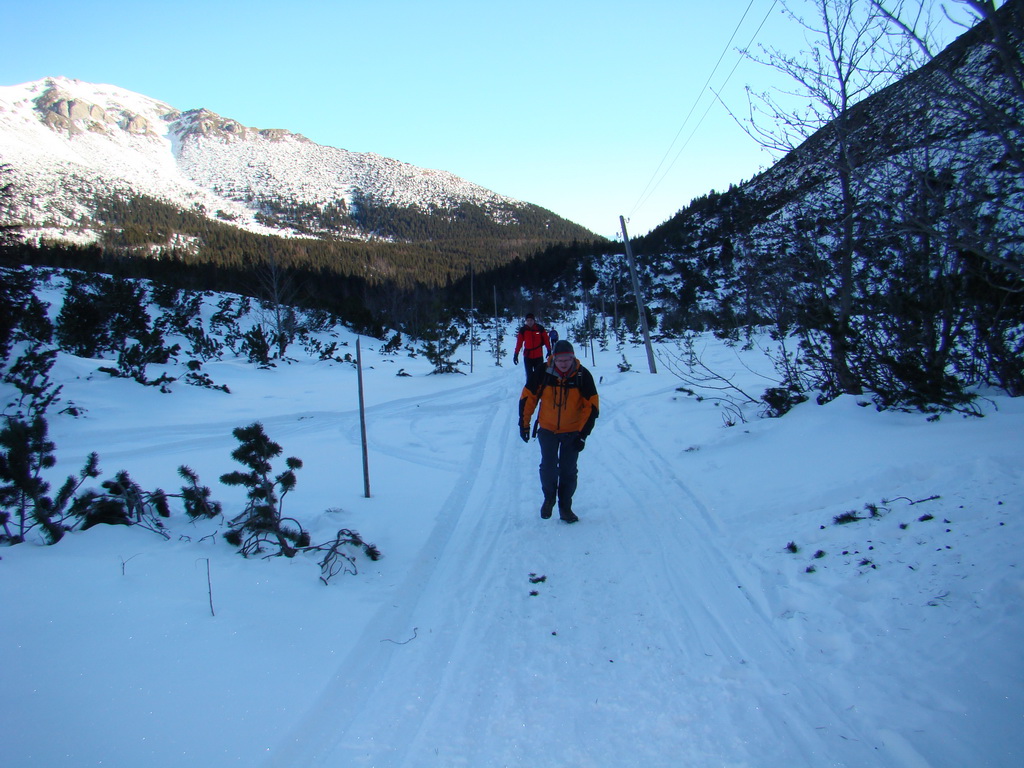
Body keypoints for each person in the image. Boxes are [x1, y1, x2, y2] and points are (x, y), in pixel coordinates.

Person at [518, 340, 599, 523]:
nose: (563, 363)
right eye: (560, 359)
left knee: (568, 471)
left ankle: (565, 507)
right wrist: (524, 424)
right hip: (547, 429)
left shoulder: (582, 375)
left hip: (572, 432)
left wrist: (582, 435)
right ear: (553, 358)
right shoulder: (543, 372)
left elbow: (591, 407)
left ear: (573, 358)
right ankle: (549, 498)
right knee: (548, 466)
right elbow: (528, 398)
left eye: (567, 359)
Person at [512, 313, 550, 383]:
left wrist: (549, 350)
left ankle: (539, 392)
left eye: (531, 320)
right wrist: (516, 354)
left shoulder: (540, 328)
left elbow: (546, 340)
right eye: (528, 320)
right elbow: (519, 343)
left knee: (539, 375)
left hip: (538, 356)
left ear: (534, 320)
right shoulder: (523, 330)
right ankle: (529, 392)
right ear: (526, 321)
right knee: (529, 376)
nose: (529, 322)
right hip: (528, 357)